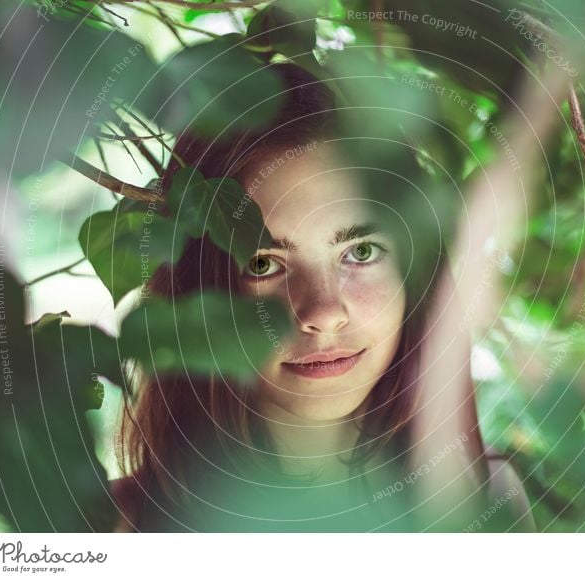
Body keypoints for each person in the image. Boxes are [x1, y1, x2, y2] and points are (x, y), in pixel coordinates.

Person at [110, 63, 535, 532]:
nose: (324, 314)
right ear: (198, 297)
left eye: (362, 252)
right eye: (262, 264)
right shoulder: (113, 529)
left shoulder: (491, 503)